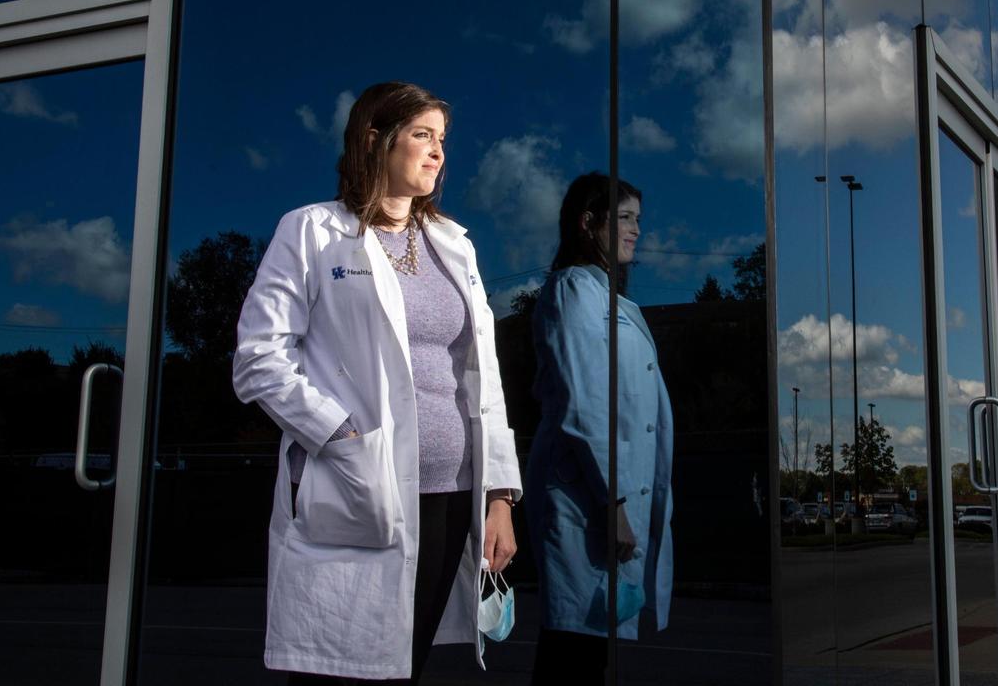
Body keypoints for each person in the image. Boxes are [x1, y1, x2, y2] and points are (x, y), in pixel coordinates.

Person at [232, 82, 522, 684]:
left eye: (442, 139)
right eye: (422, 135)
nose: (438, 152)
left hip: (451, 493)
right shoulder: (311, 231)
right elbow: (259, 359)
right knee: (338, 672)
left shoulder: (454, 247)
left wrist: (498, 494)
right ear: (374, 139)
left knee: (406, 667)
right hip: (357, 484)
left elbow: (484, 378)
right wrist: (339, 434)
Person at [523, 172, 674, 683]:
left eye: (638, 220)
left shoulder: (606, 297)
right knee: (572, 655)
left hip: (606, 498)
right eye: (624, 218)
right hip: (588, 500)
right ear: (589, 223)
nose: (636, 230)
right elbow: (584, 404)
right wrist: (614, 505)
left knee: (586, 655)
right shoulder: (573, 289)